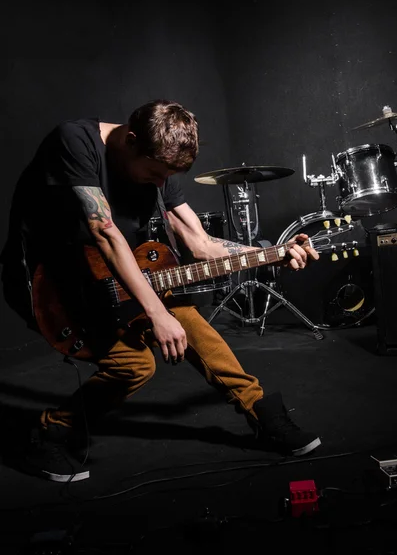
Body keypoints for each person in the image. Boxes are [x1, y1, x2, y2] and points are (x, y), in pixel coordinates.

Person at [0, 99, 321, 483]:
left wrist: (271, 254)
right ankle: (49, 431)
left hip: (121, 275)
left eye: (165, 178)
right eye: (154, 175)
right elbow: (104, 232)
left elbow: (202, 246)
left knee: (193, 327)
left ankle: (262, 414)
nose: (159, 185)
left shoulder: (161, 166)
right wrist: (156, 313)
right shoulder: (75, 142)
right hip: (51, 284)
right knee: (136, 365)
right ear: (131, 141)